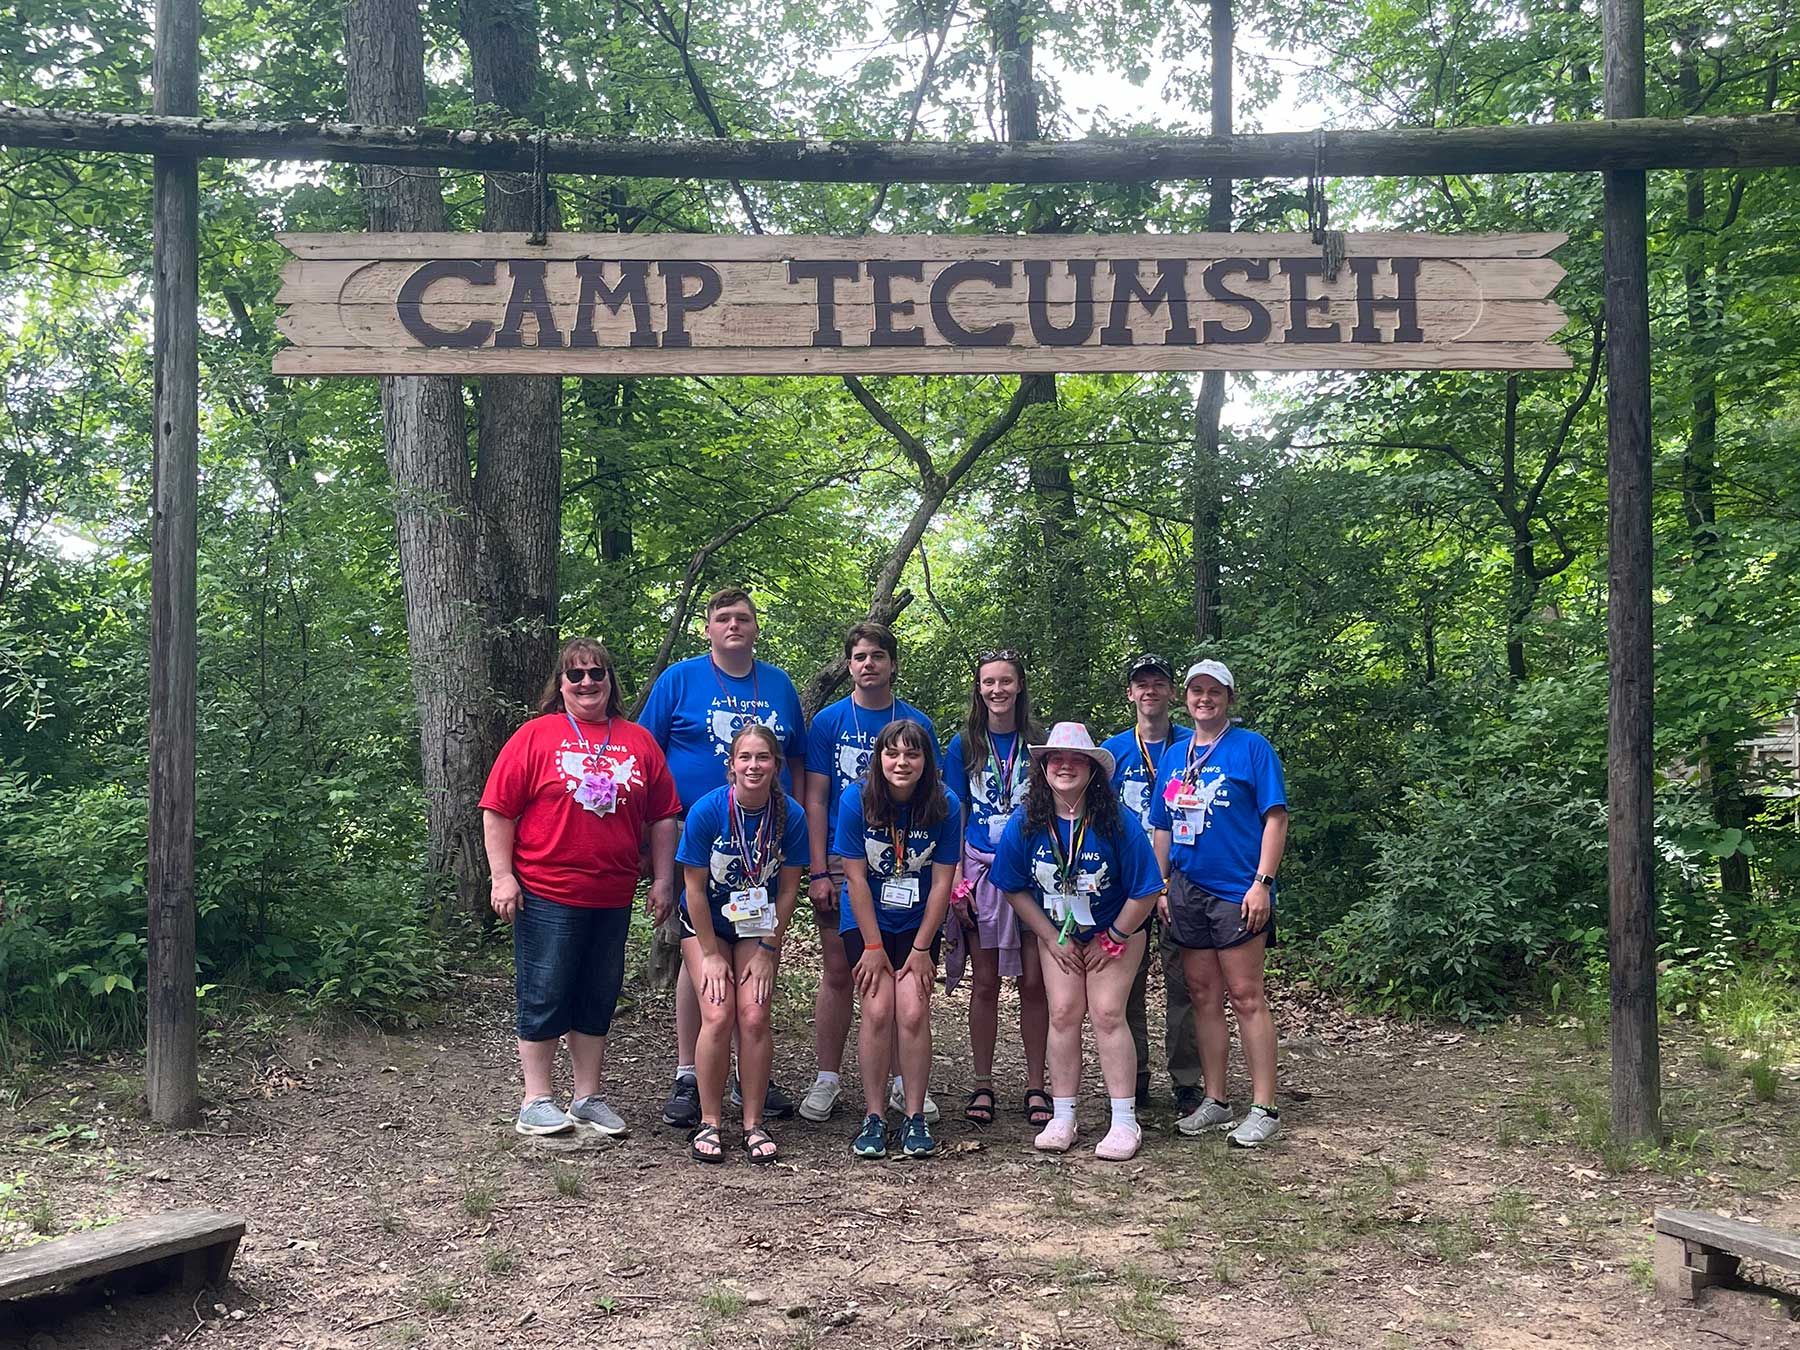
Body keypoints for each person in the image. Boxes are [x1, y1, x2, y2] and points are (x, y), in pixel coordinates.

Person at [480, 638, 681, 1137]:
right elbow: (498, 809)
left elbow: (663, 817)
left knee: (597, 995)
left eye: (597, 673)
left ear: (610, 681)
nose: (587, 682)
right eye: (576, 675)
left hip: (611, 894)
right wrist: (502, 876)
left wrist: (663, 879)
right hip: (547, 890)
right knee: (546, 990)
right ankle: (536, 1098)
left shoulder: (638, 741)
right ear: (561, 684)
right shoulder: (535, 736)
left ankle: (588, 1097)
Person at [639, 586, 809, 1129]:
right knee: (700, 960)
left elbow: (799, 763)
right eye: (723, 618)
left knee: (751, 968)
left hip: (766, 836)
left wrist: (795, 824)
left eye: (744, 618)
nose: (734, 625)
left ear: (756, 627)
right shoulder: (680, 680)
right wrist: (652, 851)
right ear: (708, 628)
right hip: (695, 832)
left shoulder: (779, 685)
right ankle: (691, 1074)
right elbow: (645, 756)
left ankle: (747, 1079)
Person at [992, 723, 1164, 1160]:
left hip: (1117, 927)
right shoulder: (1027, 821)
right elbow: (1011, 885)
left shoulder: (1117, 820)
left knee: (1108, 1013)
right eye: (1056, 759)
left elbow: (1146, 887)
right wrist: (1050, 938)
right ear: (1044, 768)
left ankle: (1124, 1121)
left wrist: (1116, 936)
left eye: (1076, 759)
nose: (1065, 766)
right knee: (1064, 1012)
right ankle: (1063, 1115)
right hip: (1059, 933)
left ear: (1092, 770)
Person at [801, 622, 941, 1124]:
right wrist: (819, 870)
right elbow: (815, 798)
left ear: (893, 663)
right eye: (859, 656)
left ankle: (905, 1085)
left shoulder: (916, 723)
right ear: (849, 664)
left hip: (907, 858)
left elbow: (934, 800)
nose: (868, 665)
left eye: (877, 656)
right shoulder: (829, 722)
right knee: (841, 969)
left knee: (902, 974)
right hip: (848, 856)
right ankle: (828, 1078)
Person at [1149, 659, 1290, 1149]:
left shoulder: (1252, 748)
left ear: (1229, 697)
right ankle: (1216, 1100)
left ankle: (1265, 1106)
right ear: (1184, 698)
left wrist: (1262, 883)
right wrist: (1161, 886)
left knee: (1247, 996)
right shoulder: (1175, 754)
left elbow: (1275, 819)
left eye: (1213, 691)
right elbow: (1163, 826)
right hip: (1187, 890)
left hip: (1238, 890)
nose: (1203, 698)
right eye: (1195, 691)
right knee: (1203, 997)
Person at [675, 724, 811, 1164]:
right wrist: (711, 955)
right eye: (745, 758)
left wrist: (770, 950)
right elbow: (693, 889)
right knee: (718, 1012)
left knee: (753, 1014)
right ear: (731, 765)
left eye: (763, 758)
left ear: (775, 765)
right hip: (706, 923)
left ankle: (753, 1121)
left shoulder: (790, 814)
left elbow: (789, 889)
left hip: (757, 924)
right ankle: (710, 1121)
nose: (754, 766)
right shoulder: (707, 810)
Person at [833, 720, 961, 1159]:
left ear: (927, 761)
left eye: (912, 754)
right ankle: (873, 1116)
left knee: (912, 1011)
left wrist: (924, 948)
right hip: (867, 921)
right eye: (892, 753)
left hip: (918, 923)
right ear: (879, 759)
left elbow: (943, 883)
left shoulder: (946, 804)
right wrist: (871, 947)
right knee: (878, 1008)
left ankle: (914, 1116)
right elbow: (854, 876)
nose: (901, 762)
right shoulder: (856, 799)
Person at [942, 651, 1049, 1129]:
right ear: (978, 689)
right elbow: (954, 812)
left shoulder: (1040, 742)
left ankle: (1035, 1084)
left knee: (1033, 983)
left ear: (1020, 686)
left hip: (1033, 874)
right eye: (989, 682)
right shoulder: (964, 744)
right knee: (984, 983)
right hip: (981, 875)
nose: (997, 690)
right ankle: (983, 1082)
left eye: (1006, 681)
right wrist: (956, 882)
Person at [1101, 654, 1205, 1115]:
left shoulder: (1195, 745)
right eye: (1141, 684)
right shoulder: (1113, 751)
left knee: (1185, 981)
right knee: (1127, 984)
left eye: (1158, 683)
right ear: (1130, 693)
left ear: (1171, 692)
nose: (1150, 691)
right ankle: (1134, 1078)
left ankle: (1187, 1080)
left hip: (1183, 874)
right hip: (1126, 882)